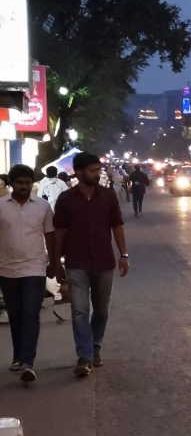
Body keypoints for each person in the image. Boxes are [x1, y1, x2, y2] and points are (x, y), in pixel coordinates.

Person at [52, 152, 130, 377]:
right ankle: (84, 356)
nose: (98, 174)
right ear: (78, 172)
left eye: (98, 170)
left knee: (101, 311)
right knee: (79, 311)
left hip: (104, 262)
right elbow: (59, 232)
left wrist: (123, 255)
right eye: (93, 170)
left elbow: (117, 226)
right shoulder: (66, 199)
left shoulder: (108, 196)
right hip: (76, 263)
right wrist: (56, 262)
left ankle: (95, 346)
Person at [0, 164, 58, 383]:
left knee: (31, 312)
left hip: (35, 267)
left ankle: (28, 362)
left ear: (32, 183)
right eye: (19, 183)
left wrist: (54, 263)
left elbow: (50, 237)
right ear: (11, 184)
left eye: (27, 183)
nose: (24, 187)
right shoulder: (1, 206)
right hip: (6, 268)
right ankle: (18, 356)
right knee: (15, 314)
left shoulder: (42, 206)